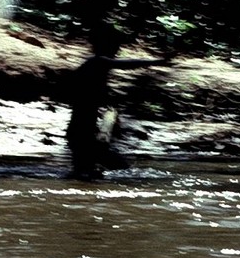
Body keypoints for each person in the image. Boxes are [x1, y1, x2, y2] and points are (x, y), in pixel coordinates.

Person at [66, 24, 170, 180]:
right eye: (116, 45)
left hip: (81, 133)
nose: (117, 50)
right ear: (105, 45)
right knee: (117, 169)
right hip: (81, 134)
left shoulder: (93, 68)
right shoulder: (97, 62)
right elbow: (127, 64)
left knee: (85, 175)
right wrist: (157, 62)